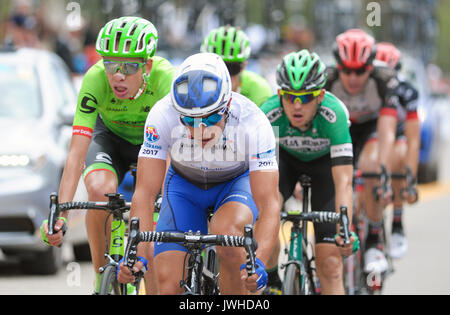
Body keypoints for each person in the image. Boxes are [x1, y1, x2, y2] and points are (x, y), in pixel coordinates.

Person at [117, 52, 280, 295]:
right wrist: (136, 256)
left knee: (228, 237)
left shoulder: (253, 121)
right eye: (190, 120)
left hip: (235, 183)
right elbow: (145, 193)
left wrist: (258, 264)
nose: (200, 129)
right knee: (167, 282)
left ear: (228, 105)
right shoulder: (163, 114)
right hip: (185, 186)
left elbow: (269, 205)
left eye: (211, 117)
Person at [40, 16, 175, 295]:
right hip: (109, 139)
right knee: (100, 191)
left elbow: (173, 151)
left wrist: (166, 199)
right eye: (110, 64)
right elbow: (76, 153)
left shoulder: (165, 78)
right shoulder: (94, 78)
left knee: (149, 222)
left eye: (128, 66)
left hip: (153, 143)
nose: (117, 75)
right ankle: (102, 274)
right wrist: (60, 214)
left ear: (147, 66)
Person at [260, 49, 357, 295]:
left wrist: (346, 228)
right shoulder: (267, 114)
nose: (296, 105)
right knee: (264, 217)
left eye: (306, 98)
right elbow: (258, 178)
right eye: (289, 96)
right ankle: (273, 281)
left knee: (331, 263)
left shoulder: (334, 115)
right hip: (286, 163)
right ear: (280, 94)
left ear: (321, 96)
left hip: (325, 168)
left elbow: (344, 181)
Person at [325, 29, 400, 275]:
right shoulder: (326, 79)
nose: (353, 77)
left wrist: (384, 172)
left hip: (370, 129)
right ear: (338, 66)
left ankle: (374, 240)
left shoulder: (384, 78)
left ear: (371, 67)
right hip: (340, 129)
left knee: (371, 168)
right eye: (347, 70)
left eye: (360, 71)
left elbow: (387, 131)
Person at [375, 42, 420, 259]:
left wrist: (410, 179)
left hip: (398, 135)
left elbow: (413, 139)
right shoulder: (365, 85)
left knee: (400, 153)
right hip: (372, 134)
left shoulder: (407, 91)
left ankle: (397, 222)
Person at [200, 25, 273, 107]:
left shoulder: (259, 90)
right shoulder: (194, 87)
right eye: (215, 69)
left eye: (231, 68)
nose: (225, 76)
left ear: (244, 66)